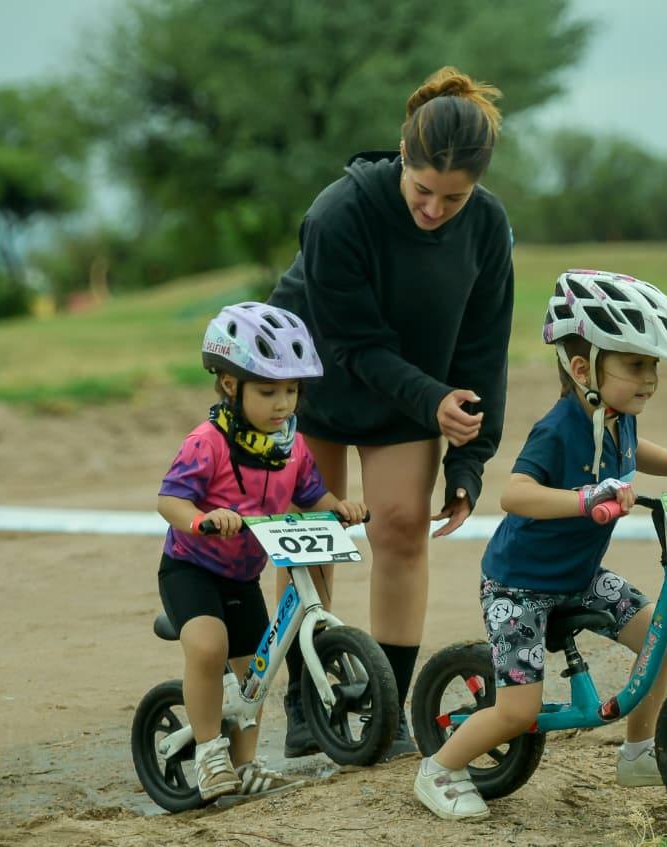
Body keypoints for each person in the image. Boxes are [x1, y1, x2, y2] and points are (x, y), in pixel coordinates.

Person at [412, 270, 667, 821]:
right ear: (583, 370)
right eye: (636, 365)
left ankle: (639, 752)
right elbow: (515, 493)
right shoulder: (557, 430)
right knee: (517, 712)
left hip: (579, 576)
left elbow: (635, 450)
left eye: (653, 366)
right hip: (520, 586)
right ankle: (438, 769)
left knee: (663, 640)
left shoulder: (618, 417)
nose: (650, 379)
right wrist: (584, 499)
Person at [268, 66, 514, 759]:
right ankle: (306, 700)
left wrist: (469, 460)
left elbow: (483, 349)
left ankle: (385, 707)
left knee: (402, 526)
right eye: (422, 190)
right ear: (402, 155)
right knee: (312, 533)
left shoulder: (488, 226)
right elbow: (352, 345)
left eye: (453, 197)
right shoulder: (337, 214)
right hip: (310, 375)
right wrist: (432, 401)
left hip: (411, 386)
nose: (434, 209)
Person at [155, 302, 368, 802]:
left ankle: (245, 764)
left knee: (255, 670)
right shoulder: (207, 443)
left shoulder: (291, 447)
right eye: (268, 391)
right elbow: (169, 499)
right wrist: (202, 519)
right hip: (191, 568)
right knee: (209, 646)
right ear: (231, 385)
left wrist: (340, 507)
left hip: (242, 575)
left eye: (291, 391)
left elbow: (312, 492)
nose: (283, 404)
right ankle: (209, 754)